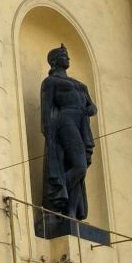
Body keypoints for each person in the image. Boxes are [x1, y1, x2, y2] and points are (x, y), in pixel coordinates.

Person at [40, 44, 97, 221]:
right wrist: (48, 132)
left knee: (80, 168)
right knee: (79, 166)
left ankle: (71, 213)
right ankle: (56, 192)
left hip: (82, 122)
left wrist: (91, 108)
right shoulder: (51, 82)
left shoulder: (80, 84)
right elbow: (46, 109)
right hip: (65, 120)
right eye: (63, 55)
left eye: (68, 55)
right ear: (54, 61)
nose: (68, 58)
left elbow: (91, 106)